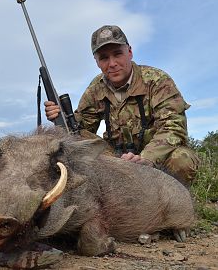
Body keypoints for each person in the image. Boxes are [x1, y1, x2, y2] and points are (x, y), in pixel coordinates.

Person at [45, 25, 199, 186]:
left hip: (154, 158)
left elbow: (173, 127)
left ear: (130, 52)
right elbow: (81, 128)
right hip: (117, 159)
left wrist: (147, 159)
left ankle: (173, 206)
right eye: (104, 58)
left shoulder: (157, 81)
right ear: (96, 62)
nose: (112, 64)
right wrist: (60, 117)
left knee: (182, 160)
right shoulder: (95, 88)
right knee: (75, 140)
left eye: (117, 54)